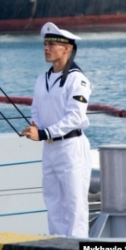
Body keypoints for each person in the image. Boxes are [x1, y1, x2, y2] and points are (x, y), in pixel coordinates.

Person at [20, 22, 92, 238]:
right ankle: (58, 247)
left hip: (71, 148)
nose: (46, 48)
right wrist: (36, 126)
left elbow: (75, 117)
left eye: (51, 44)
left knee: (74, 206)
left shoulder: (77, 80)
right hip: (50, 150)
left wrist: (43, 133)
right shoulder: (42, 79)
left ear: (66, 49)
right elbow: (36, 109)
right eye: (45, 44)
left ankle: (77, 249)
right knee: (53, 204)